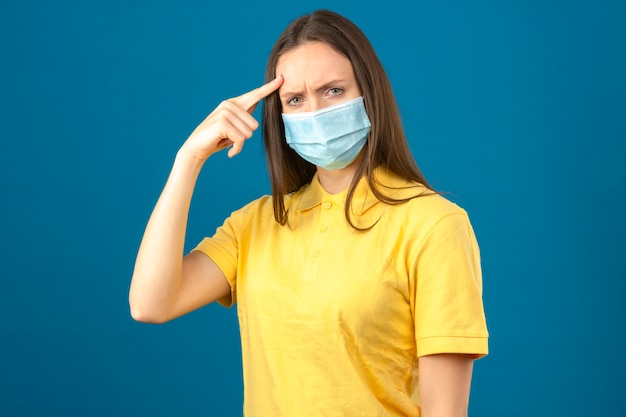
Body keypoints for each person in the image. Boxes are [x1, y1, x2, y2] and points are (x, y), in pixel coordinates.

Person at [129, 9, 488, 417]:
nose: (314, 112)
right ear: (279, 117)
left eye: (333, 90)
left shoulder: (434, 225)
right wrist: (188, 159)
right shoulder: (257, 224)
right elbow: (150, 304)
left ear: (369, 94)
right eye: (295, 99)